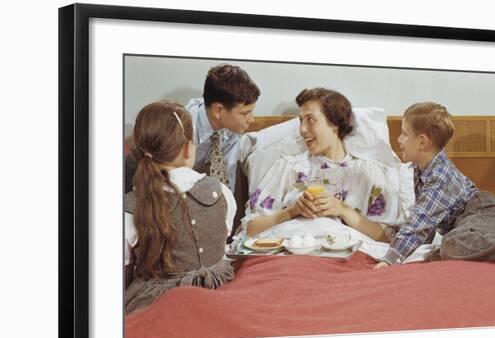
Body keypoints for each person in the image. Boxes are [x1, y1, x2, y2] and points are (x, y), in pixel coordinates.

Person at [242, 88, 413, 239]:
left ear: (335, 123)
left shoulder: (368, 173)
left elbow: (388, 239)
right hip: (292, 260)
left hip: (351, 263)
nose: (302, 129)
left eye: (310, 119)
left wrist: (342, 210)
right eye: (301, 121)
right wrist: (292, 211)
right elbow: (250, 230)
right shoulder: (288, 168)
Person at [124, 100, 237, 314]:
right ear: (188, 147)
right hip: (221, 295)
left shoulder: (130, 209)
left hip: (160, 309)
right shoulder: (222, 192)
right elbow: (222, 243)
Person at [373, 102, 495, 269]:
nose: (399, 139)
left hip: (481, 213)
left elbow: (421, 221)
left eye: (404, 134)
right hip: (465, 225)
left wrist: (390, 259)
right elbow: (427, 220)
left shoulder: (440, 177)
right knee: (451, 242)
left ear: (422, 143)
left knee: (450, 245)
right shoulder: (420, 170)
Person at [124, 64, 260, 195]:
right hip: (144, 179)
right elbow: (168, 181)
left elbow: (227, 177)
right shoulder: (181, 129)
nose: (251, 119)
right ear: (219, 110)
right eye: (244, 113)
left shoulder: (233, 129)